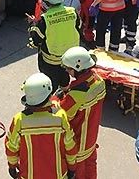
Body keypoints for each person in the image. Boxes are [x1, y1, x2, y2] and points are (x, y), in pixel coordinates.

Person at [5, 73, 77, 179]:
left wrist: (12, 166)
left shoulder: (19, 120)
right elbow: (70, 147)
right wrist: (72, 168)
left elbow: (11, 148)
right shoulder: (60, 117)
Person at [58, 46, 106, 179]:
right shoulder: (99, 80)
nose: (67, 71)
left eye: (68, 68)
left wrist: (56, 98)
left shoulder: (77, 94)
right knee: (91, 169)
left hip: (78, 144)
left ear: (77, 68)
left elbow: (62, 114)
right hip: (91, 139)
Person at [29, 0, 80, 89]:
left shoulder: (44, 20)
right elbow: (77, 28)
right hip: (69, 59)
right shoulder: (73, 12)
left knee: (51, 85)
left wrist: (32, 25)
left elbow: (36, 40)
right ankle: (65, 92)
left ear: (45, 3)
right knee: (65, 79)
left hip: (50, 61)